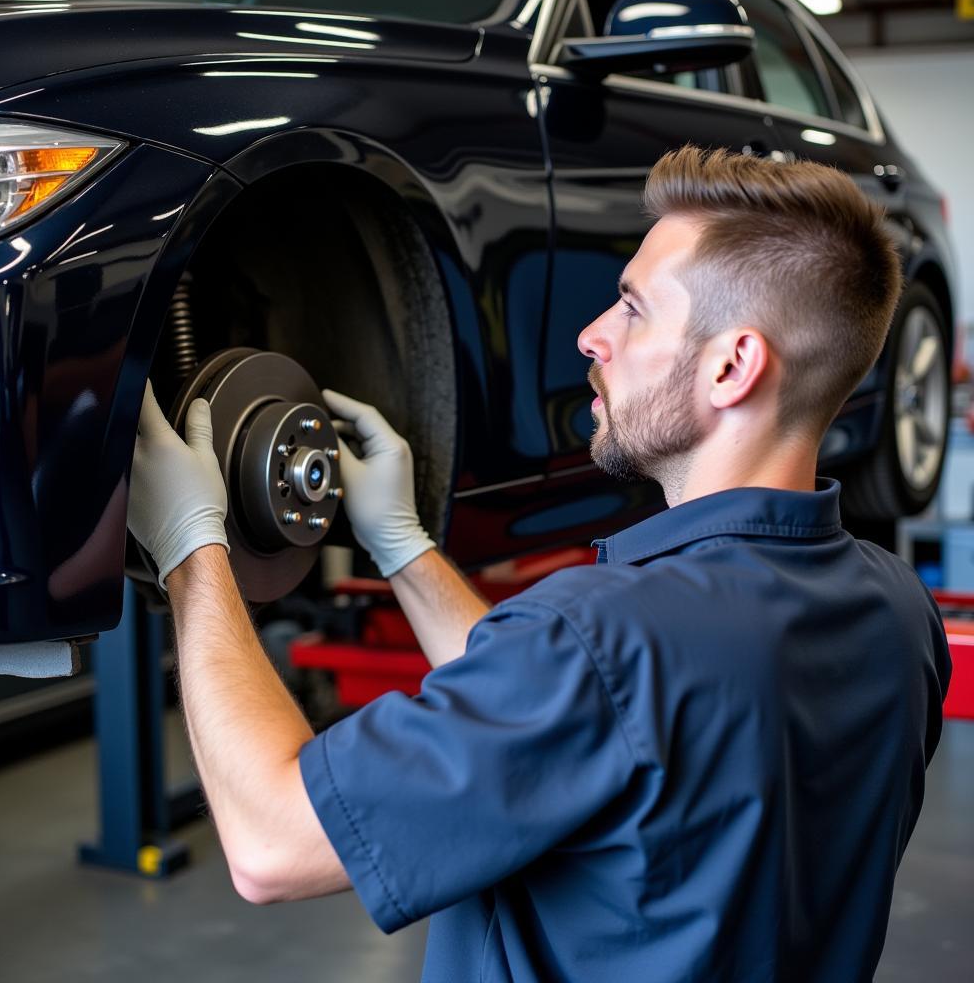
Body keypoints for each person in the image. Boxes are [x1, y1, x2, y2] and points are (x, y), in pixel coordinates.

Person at [127, 146, 951, 982]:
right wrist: (405, 547)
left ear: (732, 366)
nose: (592, 335)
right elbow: (572, 728)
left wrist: (193, 547)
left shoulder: (605, 638)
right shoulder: (900, 618)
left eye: (632, 309)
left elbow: (273, 842)